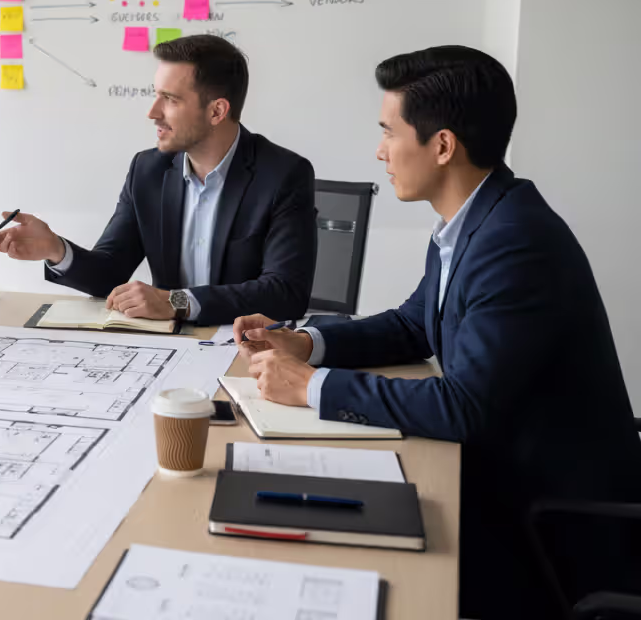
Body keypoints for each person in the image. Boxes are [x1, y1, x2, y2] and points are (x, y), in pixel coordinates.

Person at [234, 46, 641, 619]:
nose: (380, 151)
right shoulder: (475, 219)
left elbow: (465, 406)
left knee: (339, 563)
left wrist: (311, 386)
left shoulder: (514, 242)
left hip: (545, 525)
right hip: (499, 480)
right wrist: (306, 343)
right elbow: (412, 324)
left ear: (443, 145)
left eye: (388, 132)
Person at [0, 34, 316, 326]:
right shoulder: (148, 170)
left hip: (244, 349)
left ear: (216, 111)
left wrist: (176, 303)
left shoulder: (283, 174)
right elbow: (109, 272)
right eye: (156, 95)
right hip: (168, 347)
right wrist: (55, 249)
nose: (153, 112)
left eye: (170, 99)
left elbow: (285, 294)